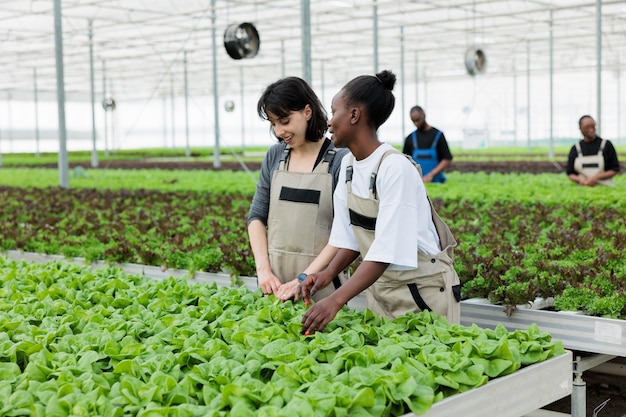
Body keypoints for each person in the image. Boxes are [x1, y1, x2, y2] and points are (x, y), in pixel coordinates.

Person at [297, 70, 461, 334]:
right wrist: (328, 274)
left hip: (423, 291)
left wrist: (336, 300)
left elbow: (386, 251)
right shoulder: (349, 165)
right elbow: (350, 237)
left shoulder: (394, 168)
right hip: (382, 289)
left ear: (354, 115)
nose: (328, 122)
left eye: (333, 111)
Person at [247, 76, 349, 302]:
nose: (278, 131)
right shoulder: (275, 156)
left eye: (284, 121)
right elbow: (256, 216)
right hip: (276, 287)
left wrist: (304, 278)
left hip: (322, 289)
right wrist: (263, 269)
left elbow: (344, 232)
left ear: (307, 112)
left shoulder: (340, 160)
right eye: (273, 123)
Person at [402, 105, 453, 183]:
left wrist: (431, 175)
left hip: (436, 182)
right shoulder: (410, 138)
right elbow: (406, 161)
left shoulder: (438, 135)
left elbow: (447, 158)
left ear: (424, 115)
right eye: (413, 121)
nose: (416, 123)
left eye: (418, 120)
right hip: (416, 182)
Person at [566, 115, 620, 186]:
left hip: (604, 187)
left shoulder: (606, 145)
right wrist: (580, 179)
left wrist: (597, 177)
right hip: (582, 187)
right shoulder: (576, 148)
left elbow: (614, 169)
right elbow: (570, 173)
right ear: (580, 128)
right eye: (587, 127)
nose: (591, 130)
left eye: (593, 126)